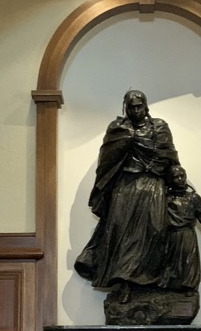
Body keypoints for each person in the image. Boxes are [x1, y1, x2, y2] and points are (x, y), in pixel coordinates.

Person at [74, 90, 180, 294]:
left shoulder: (160, 128)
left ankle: (150, 282)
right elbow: (107, 162)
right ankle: (124, 284)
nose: (136, 110)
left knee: (156, 230)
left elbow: (170, 157)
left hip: (152, 186)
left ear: (146, 106)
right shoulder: (118, 129)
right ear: (126, 108)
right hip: (125, 186)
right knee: (122, 233)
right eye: (131, 107)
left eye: (139, 106)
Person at [160, 165, 201, 291]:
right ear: (170, 180)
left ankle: (189, 286)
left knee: (188, 262)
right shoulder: (164, 198)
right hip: (170, 235)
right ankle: (170, 286)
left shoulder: (193, 198)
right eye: (176, 177)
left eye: (182, 176)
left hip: (187, 234)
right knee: (170, 263)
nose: (180, 179)